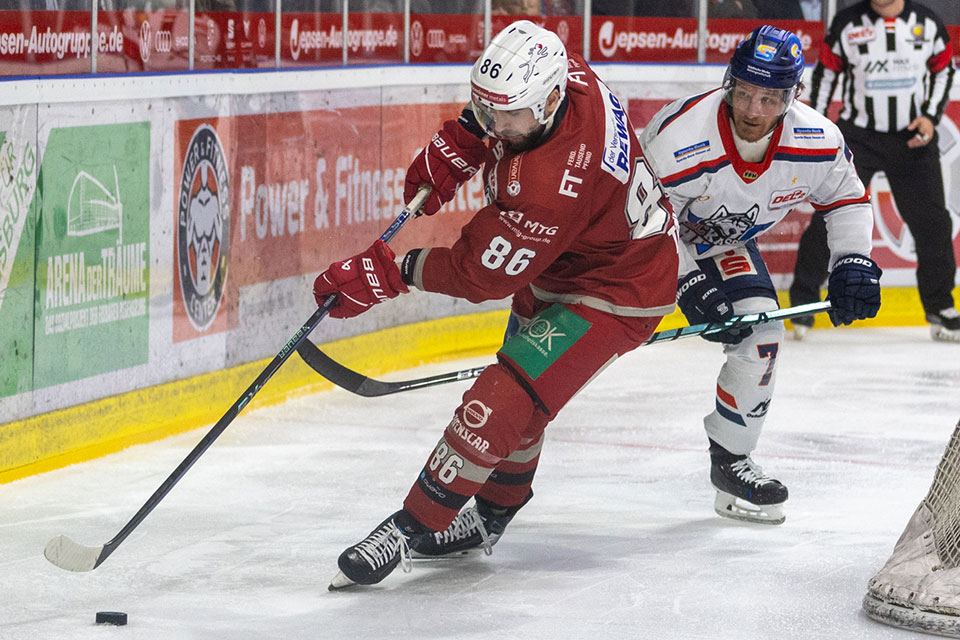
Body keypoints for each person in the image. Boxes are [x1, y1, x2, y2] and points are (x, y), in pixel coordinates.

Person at [313, 20, 680, 589]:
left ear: (552, 100)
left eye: (508, 118)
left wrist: (390, 272)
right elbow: (501, 110)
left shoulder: (550, 185)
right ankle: (491, 515)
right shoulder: (561, 74)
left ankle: (410, 526)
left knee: (504, 391)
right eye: (488, 110)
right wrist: (465, 137)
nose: (497, 126)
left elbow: (478, 275)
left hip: (616, 288)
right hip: (564, 262)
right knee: (524, 406)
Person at [638, 25, 880, 524]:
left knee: (762, 332)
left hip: (716, 242)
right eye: (744, 92)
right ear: (728, 81)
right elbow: (644, 219)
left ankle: (731, 461)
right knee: (575, 343)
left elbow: (847, 199)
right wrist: (685, 281)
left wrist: (853, 261)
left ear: (794, 96)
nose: (752, 110)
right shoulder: (679, 136)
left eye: (770, 98)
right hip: (628, 242)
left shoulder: (817, 140)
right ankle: (505, 446)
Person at [789, 0, 958, 342]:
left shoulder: (927, 23)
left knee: (933, 223)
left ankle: (941, 305)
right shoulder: (847, 23)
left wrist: (930, 116)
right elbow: (825, 75)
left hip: (912, 137)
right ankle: (803, 302)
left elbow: (944, 69)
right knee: (829, 218)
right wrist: (815, 128)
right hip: (858, 138)